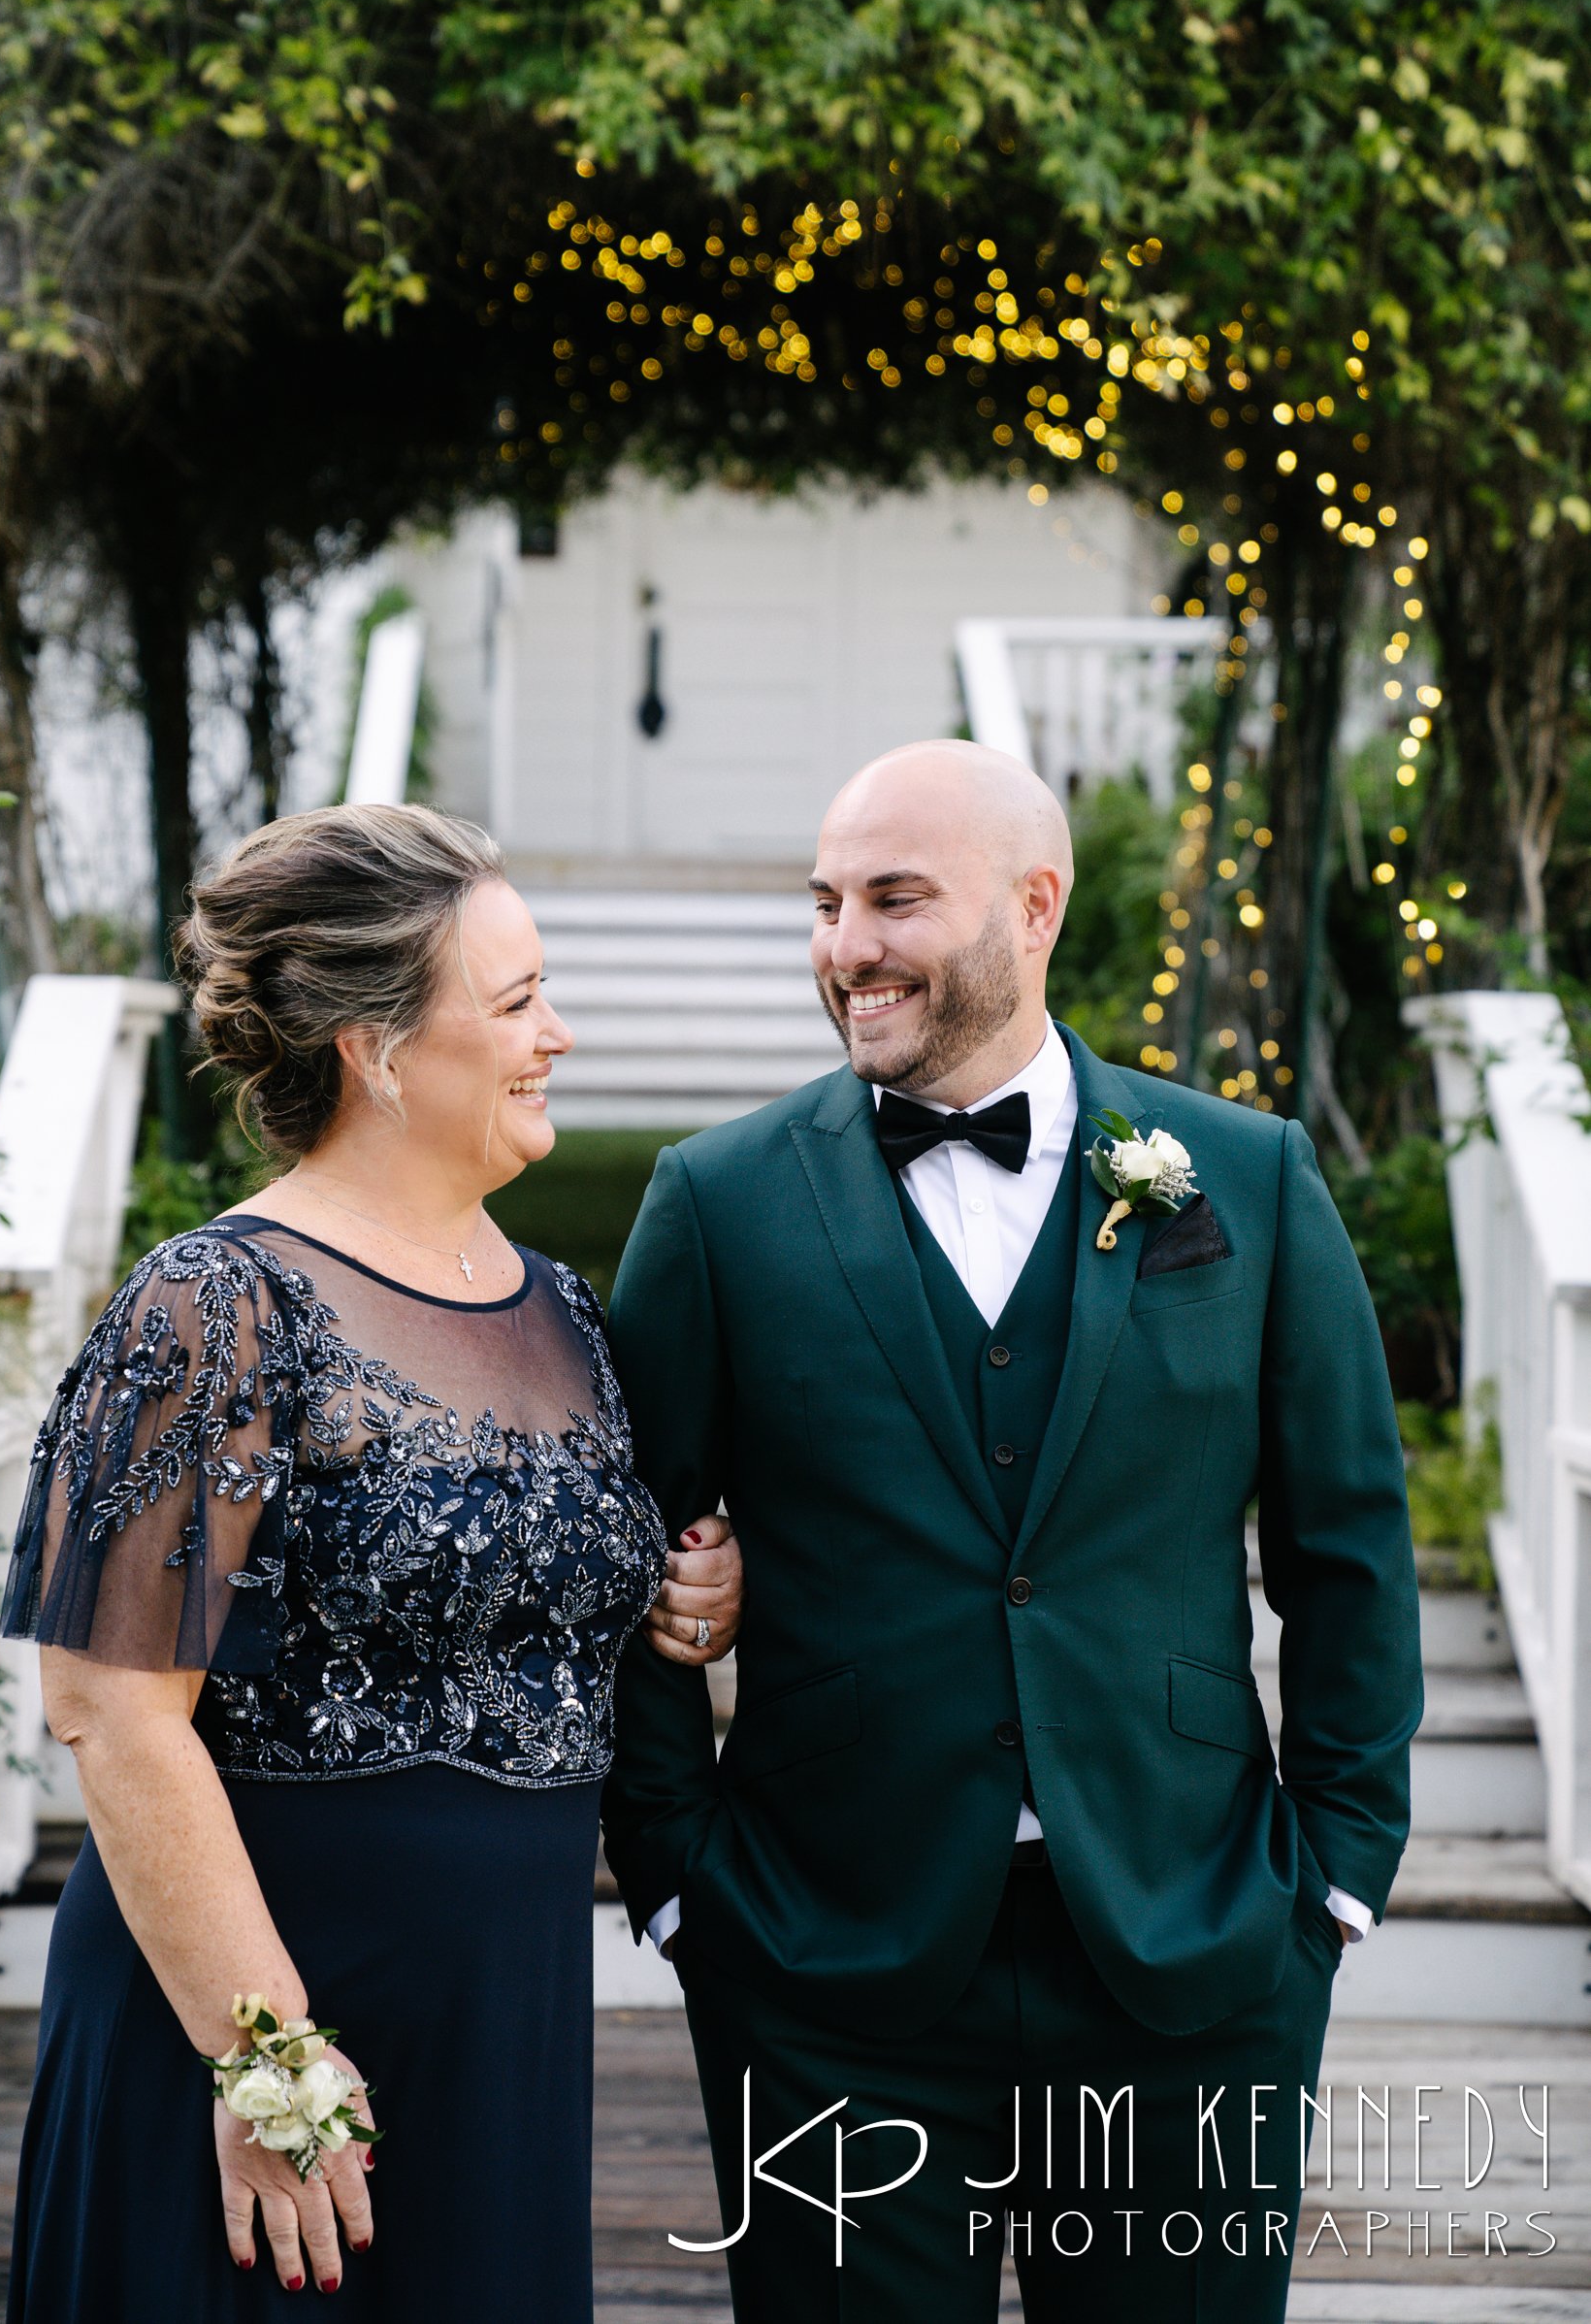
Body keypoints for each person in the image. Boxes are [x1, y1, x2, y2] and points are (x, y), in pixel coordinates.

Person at [601, 739, 1423, 2323]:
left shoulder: (1246, 1178)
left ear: (1035, 906)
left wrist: (1334, 1875)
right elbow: (632, 1542)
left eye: (896, 899)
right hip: (824, 1957)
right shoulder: (718, 1200)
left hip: (1193, 1943)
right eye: (827, 903)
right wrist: (678, 1872)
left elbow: (1348, 1548)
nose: (848, 947)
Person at [0, 803, 742, 2321]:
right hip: (256, 2036)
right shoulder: (213, 1305)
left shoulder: (565, 1313)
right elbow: (113, 1709)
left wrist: (687, 1590)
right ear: (377, 1049)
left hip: (499, 2025)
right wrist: (266, 2061)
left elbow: (539, 1585)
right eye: (517, 1002)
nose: (558, 1036)